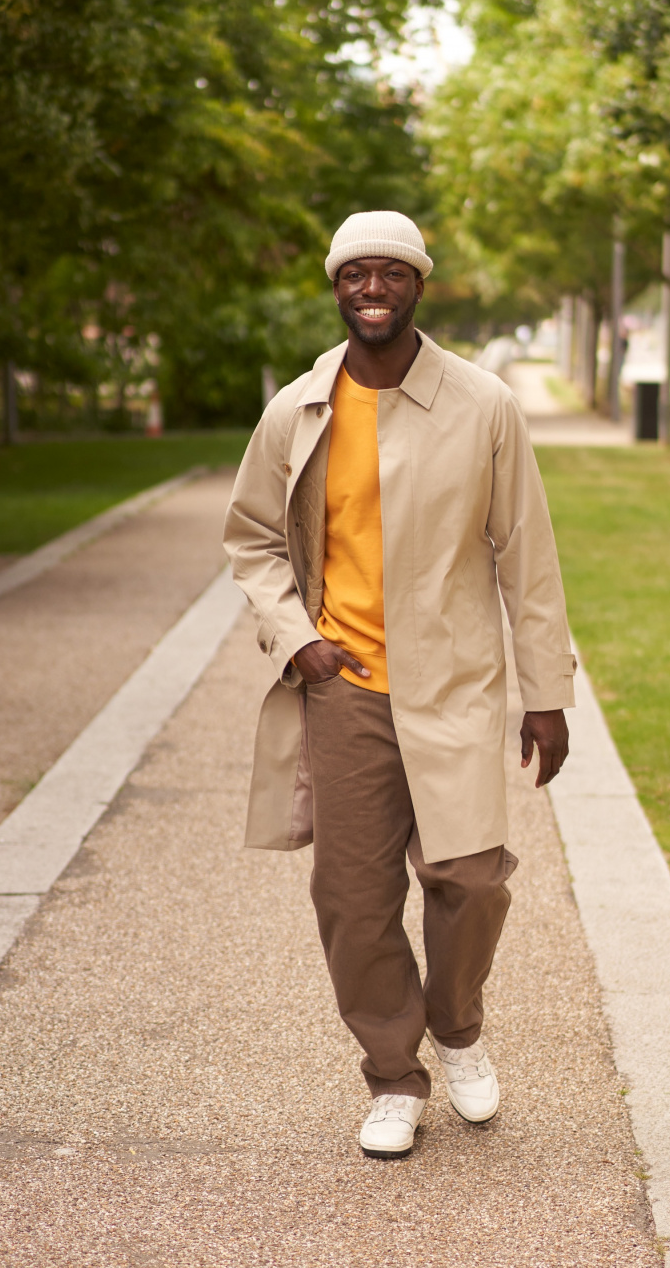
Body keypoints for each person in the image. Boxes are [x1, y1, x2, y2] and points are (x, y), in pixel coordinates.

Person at [223, 210, 576, 1160]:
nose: (370, 289)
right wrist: (297, 640)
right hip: (345, 687)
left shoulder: (484, 404)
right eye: (354, 275)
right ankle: (392, 1075)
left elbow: (526, 556)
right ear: (336, 288)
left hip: (457, 682)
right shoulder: (299, 408)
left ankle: (456, 1026)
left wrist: (546, 692)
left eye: (390, 273)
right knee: (350, 896)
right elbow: (252, 540)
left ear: (419, 284)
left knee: (471, 878)